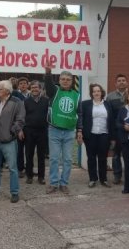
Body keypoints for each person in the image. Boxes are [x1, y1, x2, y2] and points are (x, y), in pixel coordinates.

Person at [44, 64, 81, 194]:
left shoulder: (77, 95)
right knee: (54, 158)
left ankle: (64, 183)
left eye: (68, 79)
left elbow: (79, 114)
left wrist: (80, 130)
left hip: (69, 132)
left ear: (72, 82)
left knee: (68, 159)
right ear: (59, 80)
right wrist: (48, 73)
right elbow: (48, 85)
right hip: (54, 130)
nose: (65, 81)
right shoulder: (54, 91)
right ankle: (54, 183)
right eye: (63, 79)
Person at [78, 83, 114, 188]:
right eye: (94, 91)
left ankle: (104, 179)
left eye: (98, 91)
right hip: (90, 135)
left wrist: (112, 137)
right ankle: (93, 179)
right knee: (91, 157)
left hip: (104, 134)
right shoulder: (85, 104)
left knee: (103, 158)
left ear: (101, 92)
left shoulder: (108, 104)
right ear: (91, 93)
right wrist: (79, 131)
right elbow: (80, 118)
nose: (96, 93)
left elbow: (111, 121)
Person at [23, 80, 49, 185]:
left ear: (40, 89)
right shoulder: (26, 101)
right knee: (29, 154)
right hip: (29, 131)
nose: (34, 89)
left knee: (41, 155)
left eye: (36, 87)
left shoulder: (46, 101)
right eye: (33, 87)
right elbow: (22, 116)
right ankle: (29, 176)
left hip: (42, 131)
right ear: (30, 89)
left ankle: (41, 177)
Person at [105, 74, 128, 185]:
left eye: (123, 80)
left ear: (126, 82)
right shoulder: (110, 97)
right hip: (116, 131)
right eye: (119, 80)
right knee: (116, 155)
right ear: (116, 83)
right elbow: (109, 116)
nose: (121, 82)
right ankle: (117, 176)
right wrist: (111, 133)